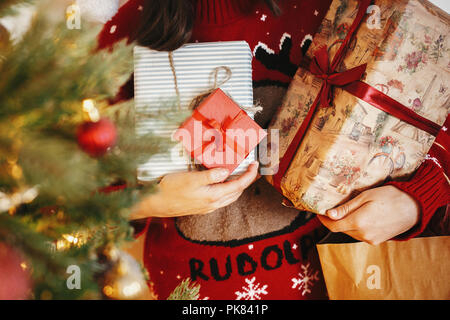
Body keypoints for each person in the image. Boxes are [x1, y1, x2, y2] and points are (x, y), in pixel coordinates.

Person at [98, 0, 449, 299]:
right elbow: (68, 196)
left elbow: (434, 107)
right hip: (193, 293)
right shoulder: (124, 30)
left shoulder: (346, 9)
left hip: (349, 281)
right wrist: (146, 201)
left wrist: (415, 200)